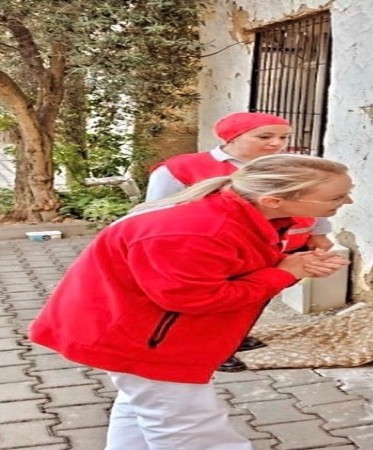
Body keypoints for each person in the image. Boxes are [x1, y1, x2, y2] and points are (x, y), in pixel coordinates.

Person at [28, 154, 353, 450]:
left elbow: (226, 272)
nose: (347, 201)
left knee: (149, 410)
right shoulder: (198, 230)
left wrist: (291, 265)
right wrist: (284, 272)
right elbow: (198, 297)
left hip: (144, 333)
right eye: (337, 197)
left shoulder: (235, 214)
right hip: (145, 340)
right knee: (190, 430)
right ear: (274, 200)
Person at [147, 111, 334, 371]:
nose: (276, 144)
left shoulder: (291, 166)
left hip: (279, 247)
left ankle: (234, 336)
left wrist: (319, 233)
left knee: (257, 294)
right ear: (232, 138)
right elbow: (156, 211)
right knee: (216, 299)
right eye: (265, 137)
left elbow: (316, 201)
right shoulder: (181, 168)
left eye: (283, 137)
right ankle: (208, 347)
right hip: (214, 250)